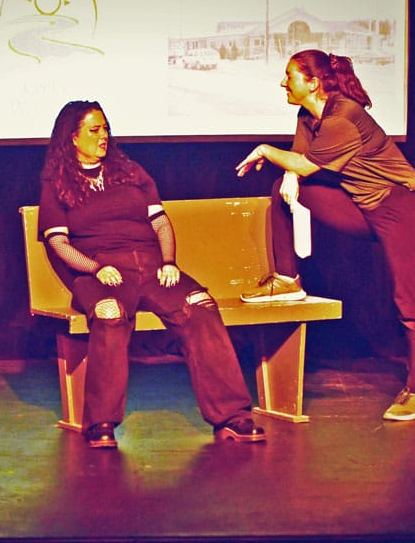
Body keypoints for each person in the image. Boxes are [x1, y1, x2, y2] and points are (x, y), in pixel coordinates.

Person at [39, 100, 266, 448]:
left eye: (105, 129)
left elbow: (159, 222)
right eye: (94, 130)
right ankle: (101, 423)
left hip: (150, 265)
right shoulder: (57, 183)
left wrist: (169, 261)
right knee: (110, 315)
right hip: (101, 272)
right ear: (72, 137)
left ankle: (232, 417)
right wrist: (96, 268)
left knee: (200, 307)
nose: (103, 136)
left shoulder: (130, 171)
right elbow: (58, 242)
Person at [235, 50, 415, 422]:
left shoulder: (342, 118)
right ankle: (287, 279)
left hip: (405, 209)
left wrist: (267, 151)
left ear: (313, 83)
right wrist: (291, 177)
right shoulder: (307, 116)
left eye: (289, 77)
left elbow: (306, 163)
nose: (282, 83)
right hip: (363, 207)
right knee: (282, 188)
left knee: (411, 303)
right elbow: (299, 160)